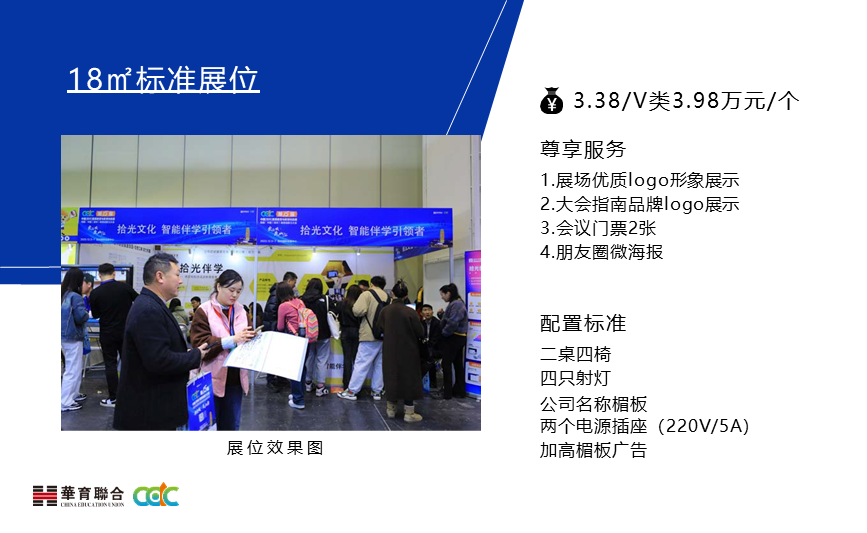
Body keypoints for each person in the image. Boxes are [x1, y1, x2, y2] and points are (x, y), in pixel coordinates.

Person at [114, 253, 208, 430]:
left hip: (153, 407)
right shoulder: (148, 309)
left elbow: (156, 351)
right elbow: (159, 360)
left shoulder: (152, 304)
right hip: (149, 413)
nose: (180, 280)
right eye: (177, 274)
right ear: (160, 276)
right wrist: (195, 356)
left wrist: (182, 354)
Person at [190, 270, 257, 431]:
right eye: (231, 290)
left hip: (235, 380)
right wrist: (232, 340)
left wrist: (254, 339)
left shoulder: (242, 311)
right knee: (209, 427)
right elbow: (200, 343)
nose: (235, 295)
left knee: (231, 426)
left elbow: (247, 337)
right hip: (210, 380)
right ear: (219, 286)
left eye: (239, 291)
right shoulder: (204, 311)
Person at [89, 263, 138, 408]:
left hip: (107, 333)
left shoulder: (95, 293)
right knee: (128, 363)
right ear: (114, 273)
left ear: (99, 275)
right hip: (125, 332)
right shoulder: (125, 287)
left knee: (110, 364)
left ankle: (114, 398)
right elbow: (139, 300)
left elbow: (95, 314)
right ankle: (131, 395)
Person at [379, 281, 425, 422]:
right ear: (406, 295)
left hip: (390, 350)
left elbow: (379, 327)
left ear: (392, 294)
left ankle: (391, 409)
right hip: (408, 350)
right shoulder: (410, 312)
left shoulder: (385, 311)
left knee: (391, 376)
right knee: (408, 378)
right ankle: (409, 413)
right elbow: (420, 332)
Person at [338, 276, 389, 401]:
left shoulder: (367, 294)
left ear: (371, 284)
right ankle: (377, 391)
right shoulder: (388, 297)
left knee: (361, 364)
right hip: (383, 335)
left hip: (369, 334)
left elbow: (358, 311)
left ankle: (352, 391)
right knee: (379, 365)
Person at [275, 281, 308, 410]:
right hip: (305, 337)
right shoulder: (300, 302)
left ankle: (298, 400)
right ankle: (299, 393)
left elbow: (280, 327)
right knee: (302, 368)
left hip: (293, 339)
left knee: (294, 370)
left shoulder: (283, 306)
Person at [61, 268, 90, 412]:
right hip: (73, 337)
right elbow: (80, 317)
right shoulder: (76, 297)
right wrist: (87, 313)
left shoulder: (63, 294)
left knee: (73, 367)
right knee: (73, 370)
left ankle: (74, 394)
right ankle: (65, 402)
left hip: (63, 336)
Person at [301, 278, 336, 398]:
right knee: (322, 359)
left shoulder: (301, 299)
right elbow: (334, 313)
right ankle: (320, 387)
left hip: (307, 335)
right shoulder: (326, 299)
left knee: (308, 357)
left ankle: (307, 383)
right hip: (323, 334)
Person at [263, 272, 298, 392]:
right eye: (294, 282)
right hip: (274, 329)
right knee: (272, 356)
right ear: (289, 281)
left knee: (280, 356)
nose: (294, 285)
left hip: (277, 328)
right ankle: (270, 380)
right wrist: (278, 327)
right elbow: (271, 312)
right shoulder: (276, 293)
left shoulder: (279, 293)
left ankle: (280, 379)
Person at [438, 283, 469, 400]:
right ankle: (459, 391)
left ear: (448, 293)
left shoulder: (456, 304)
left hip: (454, 338)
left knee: (446, 364)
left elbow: (452, 323)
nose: (442, 297)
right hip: (458, 338)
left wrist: (443, 333)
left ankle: (447, 392)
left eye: (442, 294)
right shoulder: (456, 303)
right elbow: (450, 319)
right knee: (457, 364)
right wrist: (442, 315)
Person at [339, 285, 363, 391]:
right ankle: (355, 385)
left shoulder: (342, 303)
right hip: (357, 331)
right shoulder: (359, 304)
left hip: (345, 331)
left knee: (347, 359)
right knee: (357, 360)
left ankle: (346, 384)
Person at [420, 304, 443, 393]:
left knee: (430, 358)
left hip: (436, 348)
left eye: (429, 310)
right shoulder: (421, 323)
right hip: (426, 348)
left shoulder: (437, 323)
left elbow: (436, 339)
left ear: (432, 312)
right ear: (421, 313)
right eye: (425, 310)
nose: (427, 312)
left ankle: (432, 382)